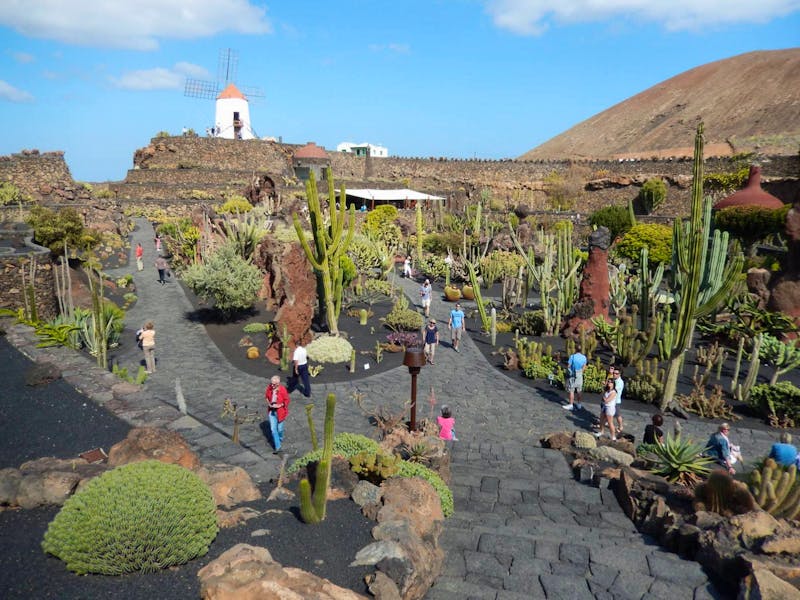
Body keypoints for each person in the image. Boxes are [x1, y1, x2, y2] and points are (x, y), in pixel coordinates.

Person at [265, 375, 290, 454]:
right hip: (272, 412)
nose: (272, 385)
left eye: (274, 384)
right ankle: (278, 447)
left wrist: (280, 405)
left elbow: (287, 400)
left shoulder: (282, 390)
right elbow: (266, 397)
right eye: (271, 383)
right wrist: (269, 404)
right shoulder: (269, 388)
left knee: (280, 429)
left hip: (280, 412)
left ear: (278, 384)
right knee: (273, 430)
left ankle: (280, 438)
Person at [563, 345, 587, 410]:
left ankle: (571, 404)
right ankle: (579, 404)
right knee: (579, 390)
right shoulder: (584, 357)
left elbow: (568, 366)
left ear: (575, 349)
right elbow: (584, 367)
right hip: (580, 374)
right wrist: (580, 372)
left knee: (571, 390)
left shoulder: (572, 357)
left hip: (573, 374)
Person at [612, 366, 625, 433]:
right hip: (612, 400)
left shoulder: (620, 382)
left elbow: (614, 390)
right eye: (614, 373)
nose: (614, 374)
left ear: (619, 374)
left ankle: (620, 426)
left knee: (617, 415)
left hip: (616, 401)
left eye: (616, 373)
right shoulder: (614, 380)